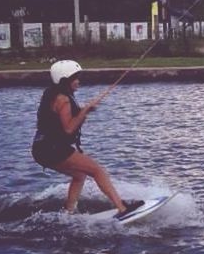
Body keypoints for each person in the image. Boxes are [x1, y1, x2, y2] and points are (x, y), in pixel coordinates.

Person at [32, 59, 143, 218]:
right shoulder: (62, 99)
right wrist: (84, 111)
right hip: (51, 148)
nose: (78, 81)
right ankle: (122, 208)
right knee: (97, 170)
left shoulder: (53, 94)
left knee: (79, 175)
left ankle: (68, 214)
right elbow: (69, 129)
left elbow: (68, 124)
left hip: (42, 148)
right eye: (75, 78)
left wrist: (85, 111)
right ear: (65, 80)